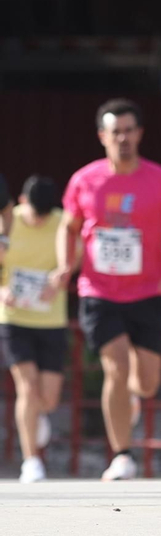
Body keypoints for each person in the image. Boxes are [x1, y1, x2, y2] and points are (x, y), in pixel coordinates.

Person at [52, 100, 161, 481]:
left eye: (128, 130)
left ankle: (132, 400)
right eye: (114, 131)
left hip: (148, 293)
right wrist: (64, 265)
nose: (122, 138)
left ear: (139, 134)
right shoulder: (84, 180)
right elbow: (68, 227)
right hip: (99, 291)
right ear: (102, 136)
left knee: (146, 381)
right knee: (116, 367)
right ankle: (122, 455)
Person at [2, 176, 68, 483]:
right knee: (26, 387)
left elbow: (75, 256)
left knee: (48, 399)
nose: (40, 221)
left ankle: (37, 416)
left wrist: (60, 276)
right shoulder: (7, 220)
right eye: (34, 214)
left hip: (51, 319)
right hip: (13, 317)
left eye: (45, 215)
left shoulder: (61, 222)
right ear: (21, 202)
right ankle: (31, 460)